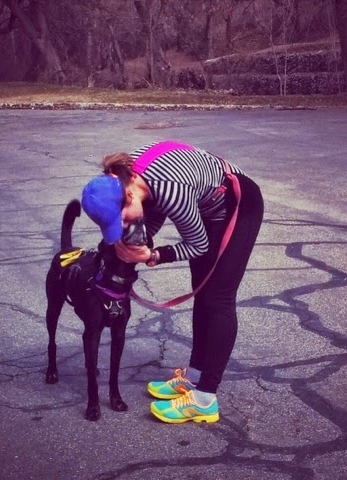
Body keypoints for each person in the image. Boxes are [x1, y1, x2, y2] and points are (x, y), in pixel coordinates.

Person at [81, 141, 263, 424]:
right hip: (207, 205)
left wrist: (153, 255)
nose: (124, 227)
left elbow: (198, 245)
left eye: (121, 220)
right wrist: (132, 245)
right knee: (203, 294)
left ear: (128, 195)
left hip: (239, 204)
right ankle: (193, 378)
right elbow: (152, 214)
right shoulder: (127, 177)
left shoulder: (170, 188)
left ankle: (204, 400)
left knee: (217, 298)